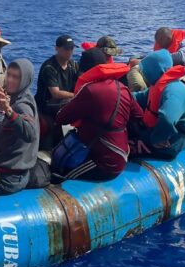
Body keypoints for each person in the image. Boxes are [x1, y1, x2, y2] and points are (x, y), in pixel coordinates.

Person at [53, 47, 144, 181]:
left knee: (59, 176)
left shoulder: (90, 91)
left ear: (86, 71)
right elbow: (138, 115)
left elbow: (61, 118)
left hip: (104, 162)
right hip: (122, 153)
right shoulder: (122, 87)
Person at [0, 59, 39, 195]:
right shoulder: (22, 97)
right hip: (13, 173)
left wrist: (9, 111)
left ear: (25, 79)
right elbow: (16, 142)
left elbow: (30, 134)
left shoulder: (23, 106)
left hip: (9, 180)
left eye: (16, 77)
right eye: (8, 75)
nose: (10, 80)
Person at [130, 50, 185, 159]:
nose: (143, 73)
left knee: (122, 146)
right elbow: (139, 97)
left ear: (154, 70)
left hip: (171, 143)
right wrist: (121, 95)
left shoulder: (174, 91)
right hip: (154, 132)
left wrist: (157, 138)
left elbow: (167, 118)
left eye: (146, 70)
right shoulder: (159, 86)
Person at [35, 35, 79, 150]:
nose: (69, 52)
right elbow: (56, 93)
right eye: (66, 49)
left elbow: (81, 82)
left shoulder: (73, 65)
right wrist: (76, 96)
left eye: (71, 49)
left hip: (64, 104)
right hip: (46, 106)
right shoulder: (49, 67)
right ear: (57, 49)